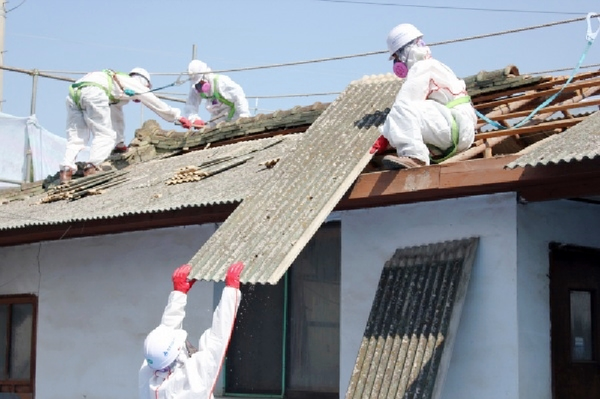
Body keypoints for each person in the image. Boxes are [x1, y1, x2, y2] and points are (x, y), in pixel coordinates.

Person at [370, 23, 477, 169]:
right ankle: (421, 152)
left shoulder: (422, 67)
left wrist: (385, 134)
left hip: (453, 129)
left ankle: (415, 156)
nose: (397, 63)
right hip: (459, 132)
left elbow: (406, 102)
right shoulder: (435, 65)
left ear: (405, 51)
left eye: (396, 57)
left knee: (402, 109)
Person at [59, 67, 190, 183]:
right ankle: (92, 166)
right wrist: (177, 117)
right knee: (105, 135)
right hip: (94, 92)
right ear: (144, 83)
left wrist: (120, 144)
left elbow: (117, 118)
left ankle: (66, 169)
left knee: (76, 137)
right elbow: (152, 101)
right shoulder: (132, 82)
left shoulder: (115, 85)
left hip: (74, 94)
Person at [139, 262, 244, 399]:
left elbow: (166, 334)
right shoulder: (193, 382)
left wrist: (178, 294)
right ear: (177, 354)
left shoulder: (149, 373)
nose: (187, 344)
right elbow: (218, 338)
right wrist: (231, 292)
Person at [179, 60, 251, 129]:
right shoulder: (196, 88)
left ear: (206, 75)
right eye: (197, 84)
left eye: (200, 82)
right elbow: (190, 105)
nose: (199, 86)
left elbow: (239, 97)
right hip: (217, 119)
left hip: (234, 116)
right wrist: (194, 119)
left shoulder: (221, 82)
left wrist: (244, 116)